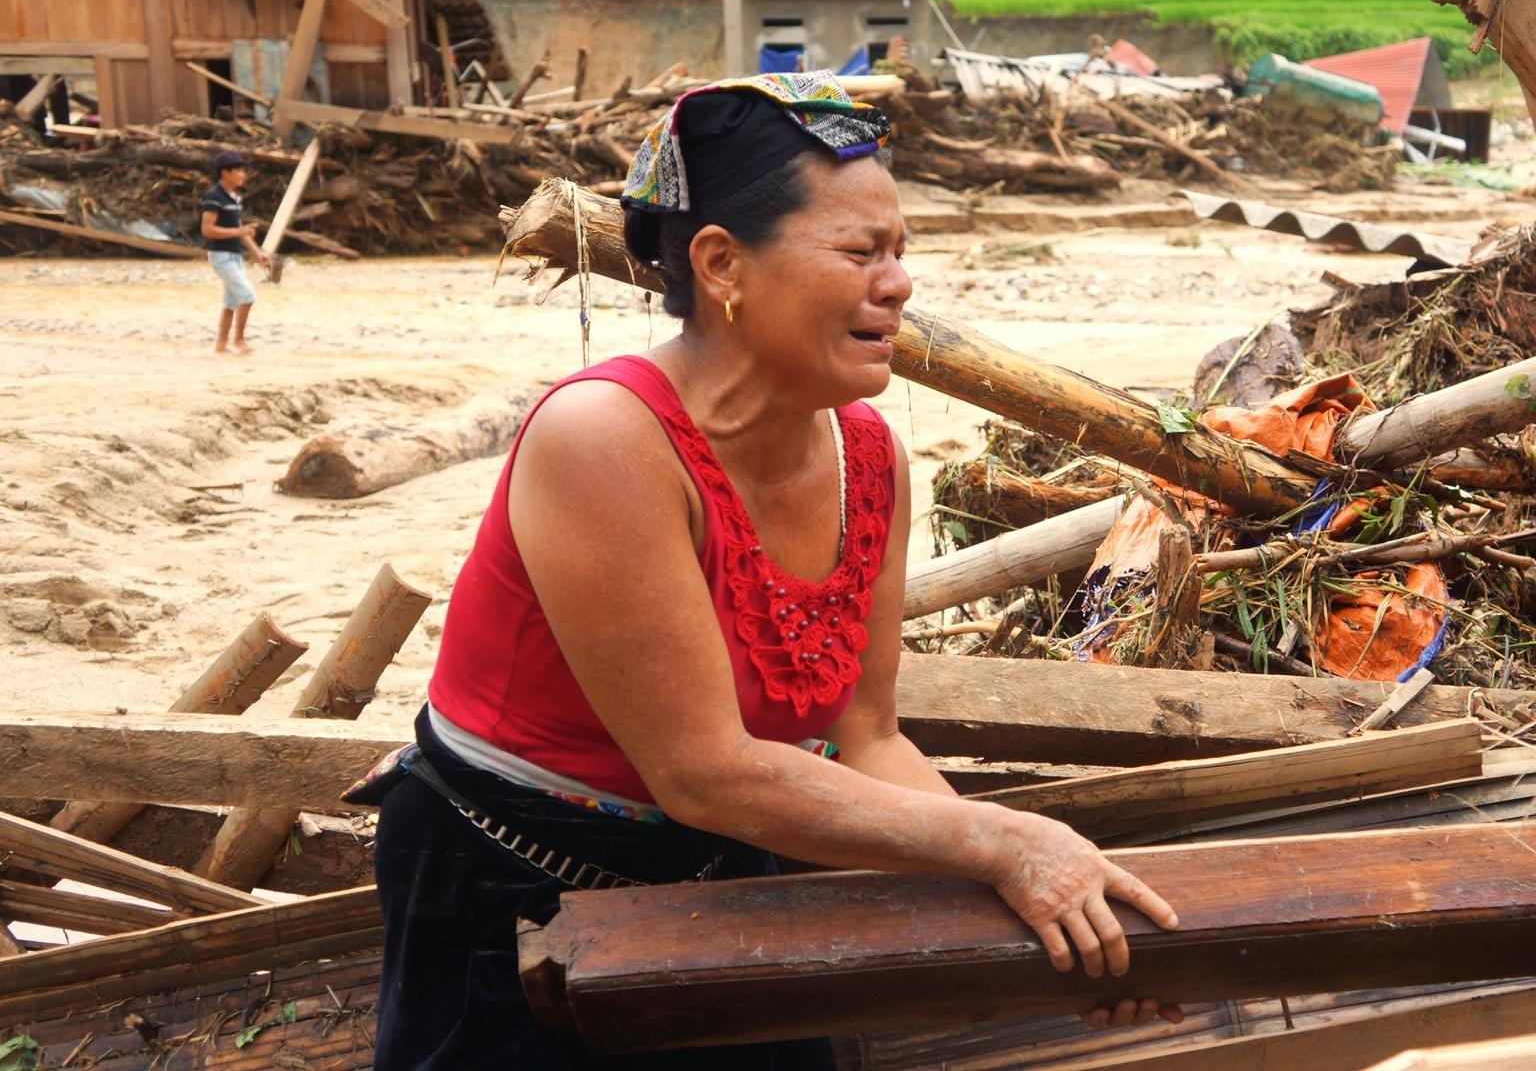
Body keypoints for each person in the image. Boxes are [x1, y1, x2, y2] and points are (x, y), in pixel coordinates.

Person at [362, 72, 1181, 1070]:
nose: (898, 284)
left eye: (900, 252)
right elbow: (704, 769)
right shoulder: (604, 437)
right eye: (860, 252)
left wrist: (1049, 918)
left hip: (733, 874)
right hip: (511, 889)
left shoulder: (869, 456)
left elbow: (869, 739)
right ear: (722, 264)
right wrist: (1007, 844)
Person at [200, 151, 268, 354]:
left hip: (235, 255)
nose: (242, 174)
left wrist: (257, 253)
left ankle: (221, 345)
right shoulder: (214, 197)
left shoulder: (235, 198)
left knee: (230, 303)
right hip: (221, 256)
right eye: (238, 170)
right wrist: (238, 232)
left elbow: (240, 230)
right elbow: (207, 229)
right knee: (247, 296)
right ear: (225, 172)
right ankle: (239, 340)